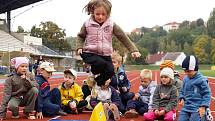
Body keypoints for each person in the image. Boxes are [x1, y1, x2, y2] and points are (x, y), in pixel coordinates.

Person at [76, 0, 141, 86]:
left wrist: (133, 50)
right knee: (100, 63)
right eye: (97, 14)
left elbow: (123, 37)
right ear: (93, 12)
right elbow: (80, 36)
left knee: (111, 71)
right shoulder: (87, 24)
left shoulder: (111, 25)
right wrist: (79, 47)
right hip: (90, 53)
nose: (100, 17)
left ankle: (97, 83)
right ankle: (92, 72)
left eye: (103, 14)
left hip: (105, 55)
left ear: (108, 14)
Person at [178, 55, 211, 121]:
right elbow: (182, 91)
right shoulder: (185, 79)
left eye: (189, 71)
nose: (186, 73)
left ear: (195, 69)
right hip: (186, 107)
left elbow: (207, 94)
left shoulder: (202, 80)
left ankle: (206, 113)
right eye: (185, 71)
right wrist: (182, 98)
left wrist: (203, 106)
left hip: (197, 107)